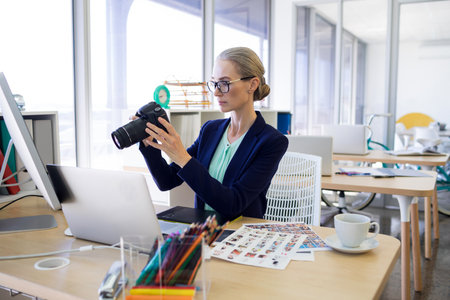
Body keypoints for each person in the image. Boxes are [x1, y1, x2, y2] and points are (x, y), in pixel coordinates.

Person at [139, 47, 288, 221]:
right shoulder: (210, 130)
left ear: (252, 84)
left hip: (240, 236)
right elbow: (167, 181)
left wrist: (182, 157)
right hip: (205, 232)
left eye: (225, 83)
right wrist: (149, 143)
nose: (216, 92)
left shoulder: (272, 142)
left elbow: (233, 205)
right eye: (214, 83)